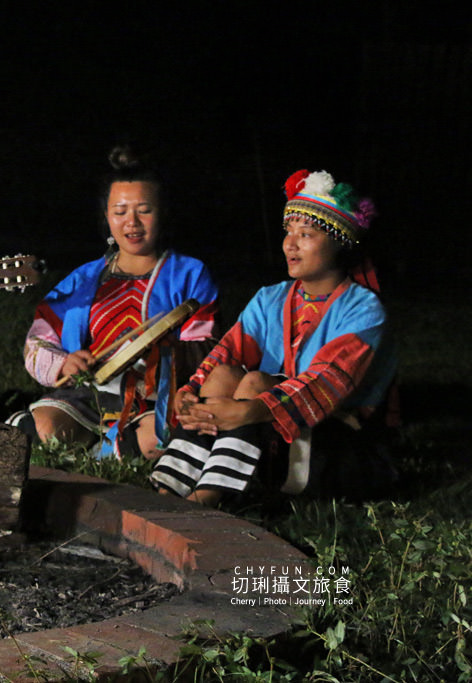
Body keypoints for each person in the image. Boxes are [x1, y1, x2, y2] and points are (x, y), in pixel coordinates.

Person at [151, 169, 397, 506]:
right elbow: (227, 352)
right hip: (268, 426)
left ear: (339, 242)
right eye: (288, 232)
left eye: (306, 234)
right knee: (221, 375)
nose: (290, 244)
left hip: (336, 441)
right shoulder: (271, 298)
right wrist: (191, 391)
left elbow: (324, 384)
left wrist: (250, 410)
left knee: (253, 383)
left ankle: (209, 498)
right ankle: (172, 489)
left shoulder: (364, 310)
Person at [9, 146, 220, 459]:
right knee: (41, 427)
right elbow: (37, 341)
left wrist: (163, 356)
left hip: (151, 400)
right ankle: (107, 446)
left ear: (162, 212)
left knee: (157, 438)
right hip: (86, 395)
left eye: (144, 210)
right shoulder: (82, 280)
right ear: (107, 218)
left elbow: (207, 348)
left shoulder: (190, 274)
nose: (131, 222)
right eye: (120, 212)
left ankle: (103, 452)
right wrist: (64, 363)